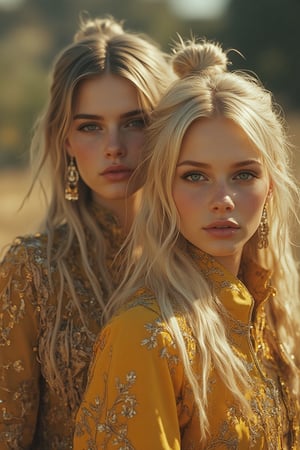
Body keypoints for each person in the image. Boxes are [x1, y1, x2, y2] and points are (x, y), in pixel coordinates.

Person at [74, 38, 300, 449]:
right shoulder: (146, 336)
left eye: (244, 174)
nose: (222, 199)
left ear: (270, 186)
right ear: (162, 188)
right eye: (194, 176)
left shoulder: (278, 318)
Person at [0, 14, 174, 449]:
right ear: (65, 140)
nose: (113, 146)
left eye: (135, 122)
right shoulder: (33, 272)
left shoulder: (203, 259)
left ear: (167, 131)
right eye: (90, 126)